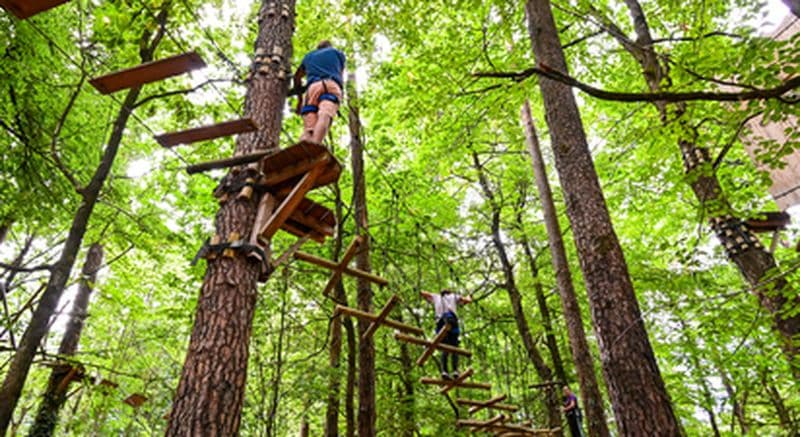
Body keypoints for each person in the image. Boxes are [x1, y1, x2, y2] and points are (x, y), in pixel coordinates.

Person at [292, 40, 346, 144]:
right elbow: (340, 73)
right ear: (329, 46)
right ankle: (316, 145)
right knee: (325, 114)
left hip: (313, 88)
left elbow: (297, 77)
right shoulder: (337, 53)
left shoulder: (309, 56)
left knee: (309, 126)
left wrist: (300, 100)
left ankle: (306, 144)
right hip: (331, 85)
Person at [419, 288, 472, 380]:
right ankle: (455, 370)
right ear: (449, 292)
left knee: (445, 348)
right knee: (454, 348)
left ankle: (444, 371)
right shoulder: (453, 296)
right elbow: (467, 300)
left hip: (440, 323)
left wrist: (421, 293)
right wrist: (469, 297)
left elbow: (423, 293)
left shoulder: (436, 296)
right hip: (451, 321)